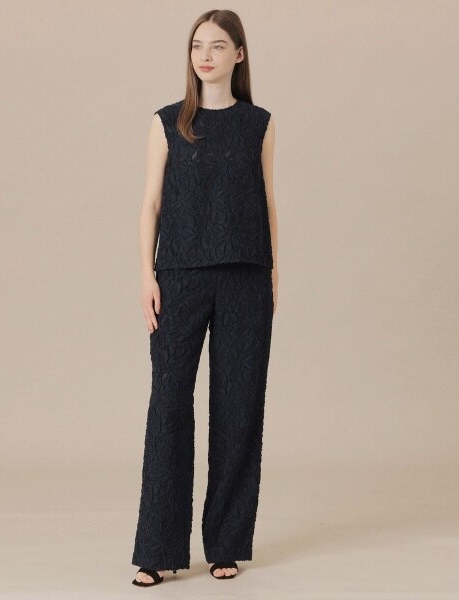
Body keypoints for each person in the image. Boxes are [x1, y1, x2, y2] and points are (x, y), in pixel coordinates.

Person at [131, 8, 279, 587]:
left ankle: (226, 545)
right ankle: (157, 549)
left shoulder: (259, 123)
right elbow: (150, 203)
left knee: (239, 408)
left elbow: (267, 200)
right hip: (179, 277)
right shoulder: (168, 121)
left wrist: (274, 271)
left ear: (239, 55)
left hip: (246, 276)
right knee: (169, 406)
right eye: (197, 45)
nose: (206, 55)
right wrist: (146, 275)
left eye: (218, 45)